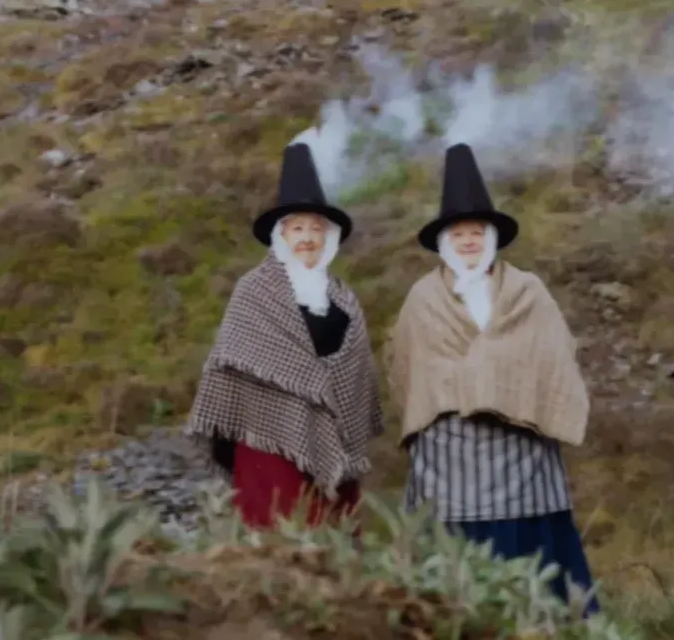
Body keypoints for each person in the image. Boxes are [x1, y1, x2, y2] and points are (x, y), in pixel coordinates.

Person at [386, 143, 601, 615]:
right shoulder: (422, 299)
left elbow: (555, 359)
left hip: (525, 461)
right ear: (444, 241)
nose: (468, 241)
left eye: (476, 232)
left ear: (491, 238)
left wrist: (490, 378)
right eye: (458, 233)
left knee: (541, 581)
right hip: (451, 468)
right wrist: (475, 382)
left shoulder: (528, 291)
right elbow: (409, 372)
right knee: (455, 590)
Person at [184, 142, 384, 530]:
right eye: (297, 228)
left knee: (336, 552)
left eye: (316, 229)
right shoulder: (254, 291)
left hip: (337, 455)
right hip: (269, 448)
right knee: (281, 548)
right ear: (281, 235)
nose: (307, 238)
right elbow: (227, 374)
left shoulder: (344, 299)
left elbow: (358, 383)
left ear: (329, 237)